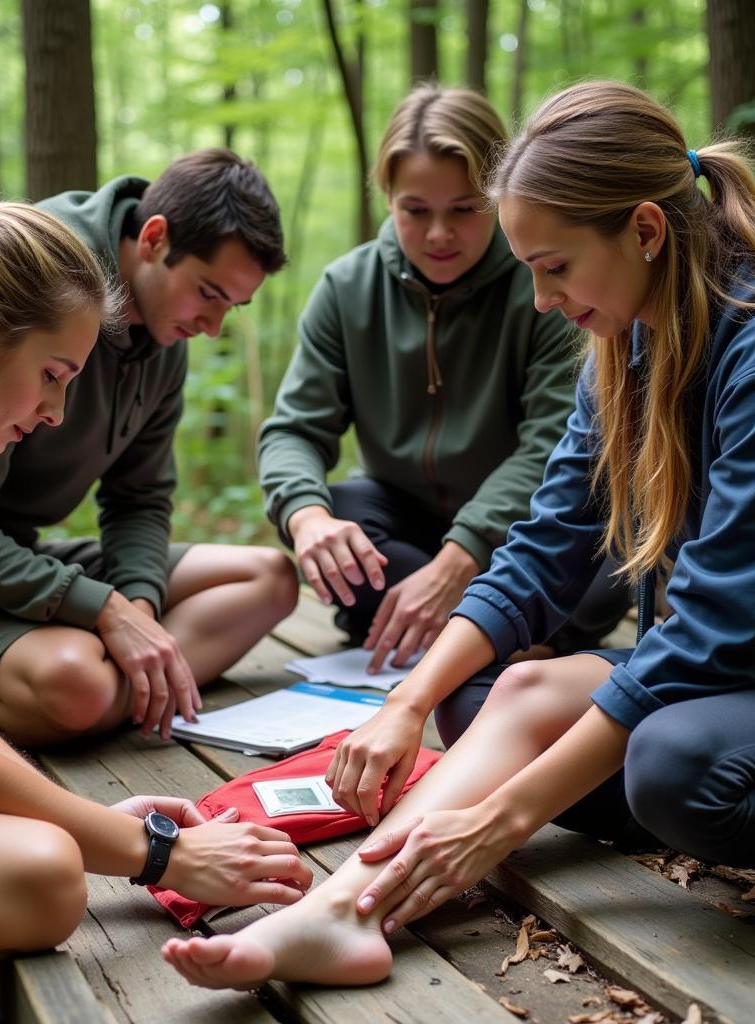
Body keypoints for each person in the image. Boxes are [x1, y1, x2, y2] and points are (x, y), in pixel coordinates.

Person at [161, 80, 755, 990]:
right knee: (497, 695)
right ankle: (344, 914)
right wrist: (403, 704)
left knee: (676, 768)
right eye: (528, 270)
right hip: (745, 680)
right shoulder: (630, 345)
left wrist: (504, 819)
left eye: (555, 266)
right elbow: (543, 548)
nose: (543, 299)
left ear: (645, 231)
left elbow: (716, 633)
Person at [0, 182, 313, 1005]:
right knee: (45, 877)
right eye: (52, 375)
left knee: (31, 812)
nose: (56, 412)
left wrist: (109, 824)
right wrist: (156, 854)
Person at [0, 150, 299, 748]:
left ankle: (121, 686)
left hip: (20, 556)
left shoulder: (164, 337)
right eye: (208, 293)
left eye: (232, 306)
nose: (213, 326)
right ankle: (91, 692)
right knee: (76, 681)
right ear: (154, 237)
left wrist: (138, 607)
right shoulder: (37, 288)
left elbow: (139, 497)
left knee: (270, 576)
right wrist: (102, 609)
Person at [258, 85, 630, 675]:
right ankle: (498, 629)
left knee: (615, 545)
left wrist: (463, 556)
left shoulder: (545, 282)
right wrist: (308, 517)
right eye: (415, 210)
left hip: (524, 526)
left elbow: (553, 445)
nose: (438, 235)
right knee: (340, 507)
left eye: (463, 210)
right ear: (387, 199)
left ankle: (462, 623)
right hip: (406, 526)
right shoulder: (346, 288)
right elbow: (293, 432)